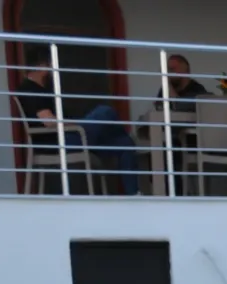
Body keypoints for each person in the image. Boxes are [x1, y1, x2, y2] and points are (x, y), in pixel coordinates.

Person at [14, 50, 141, 195]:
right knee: (105, 111)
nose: (51, 68)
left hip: (73, 136)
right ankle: (113, 133)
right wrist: (77, 124)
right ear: (41, 66)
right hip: (60, 142)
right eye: (49, 64)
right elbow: (49, 121)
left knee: (125, 143)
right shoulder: (29, 88)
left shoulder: (46, 90)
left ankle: (133, 195)